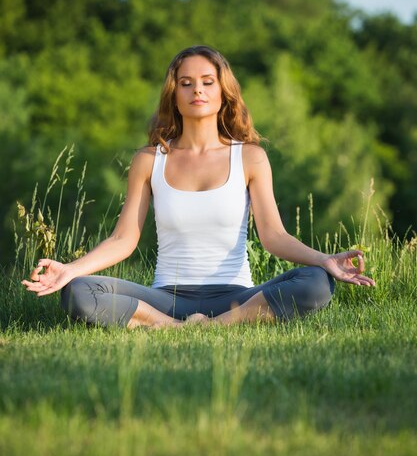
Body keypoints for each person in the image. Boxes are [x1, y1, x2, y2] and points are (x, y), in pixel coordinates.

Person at [21, 45, 375, 329]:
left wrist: (324, 260)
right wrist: (70, 269)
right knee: (78, 292)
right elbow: (123, 240)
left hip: (237, 295)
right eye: (186, 83)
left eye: (207, 81)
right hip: (168, 298)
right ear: (174, 93)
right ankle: (173, 326)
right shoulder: (149, 160)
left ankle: (217, 324)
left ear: (223, 91)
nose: (197, 91)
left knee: (315, 282)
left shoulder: (250, 158)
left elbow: (274, 237)